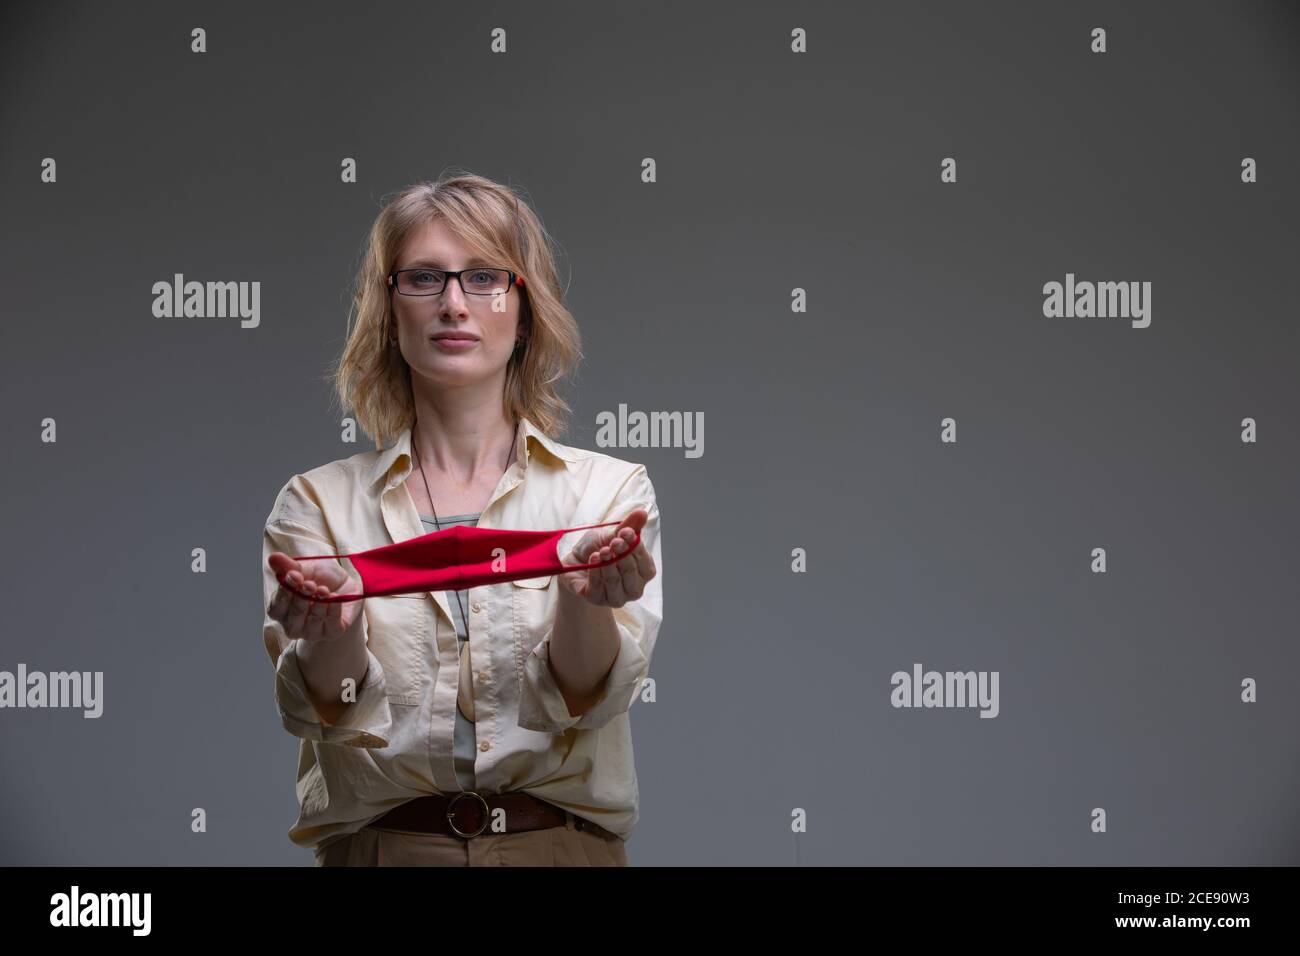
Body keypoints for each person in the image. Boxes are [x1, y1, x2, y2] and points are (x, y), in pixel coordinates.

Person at [260, 172, 663, 866]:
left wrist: (584, 597)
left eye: (483, 278)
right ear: (389, 308)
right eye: (423, 278)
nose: (453, 304)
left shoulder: (607, 492)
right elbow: (329, 709)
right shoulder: (316, 505)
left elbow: (585, 699)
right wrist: (331, 632)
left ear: (523, 305)